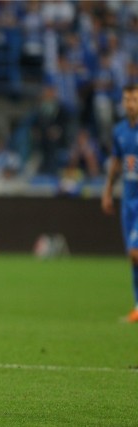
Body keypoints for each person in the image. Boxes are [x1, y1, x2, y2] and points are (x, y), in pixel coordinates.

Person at [102, 83, 138, 323]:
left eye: (134, 99)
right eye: (126, 99)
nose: (129, 103)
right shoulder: (120, 131)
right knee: (132, 256)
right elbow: (116, 162)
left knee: (136, 252)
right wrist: (107, 192)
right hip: (129, 200)